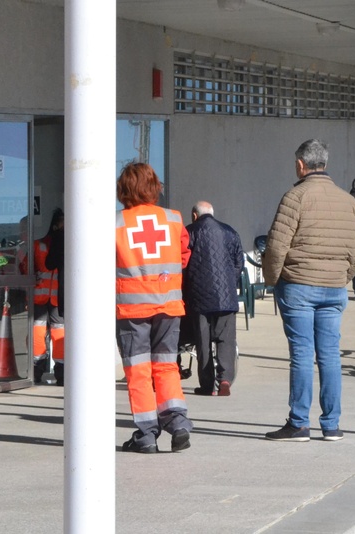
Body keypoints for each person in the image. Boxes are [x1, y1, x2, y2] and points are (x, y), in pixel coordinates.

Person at [261, 139, 355, 442]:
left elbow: (277, 246)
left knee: (303, 354)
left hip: (298, 286)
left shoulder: (295, 197)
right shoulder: (349, 201)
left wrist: (272, 279)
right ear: (326, 164)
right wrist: (342, 275)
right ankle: (331, 425)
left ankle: (298, 423)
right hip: (334, 288)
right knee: (331, 355)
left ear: (300, 165)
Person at [115, 162, 193, 453]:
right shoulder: (173, 219)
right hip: (169, 305)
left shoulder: (116, 223)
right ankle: (178, 422)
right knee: (166, 366)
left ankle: (146, 434)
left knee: (138, 371)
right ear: (155, 187)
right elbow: (183, 256)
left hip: (132, 311)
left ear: (123, 190)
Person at [183, 201, 244, 397]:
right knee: (225, 339)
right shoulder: (230, 231)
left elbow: (182, 263)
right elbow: (238, 264)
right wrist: (228, 284)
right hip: (225, 297)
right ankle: (225, 380)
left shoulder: (189, 232)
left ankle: (207, 385)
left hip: (198, 297)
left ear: (194, 215)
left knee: (203, 341)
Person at [22, 209, 65, 386]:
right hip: (54, 298)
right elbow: (25, 268)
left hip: (44, 297)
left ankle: (37, 370)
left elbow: (25, 268)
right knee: (54, 332)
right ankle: (60, 373)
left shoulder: (38, 245)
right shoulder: (67, 244)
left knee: (43, 332)